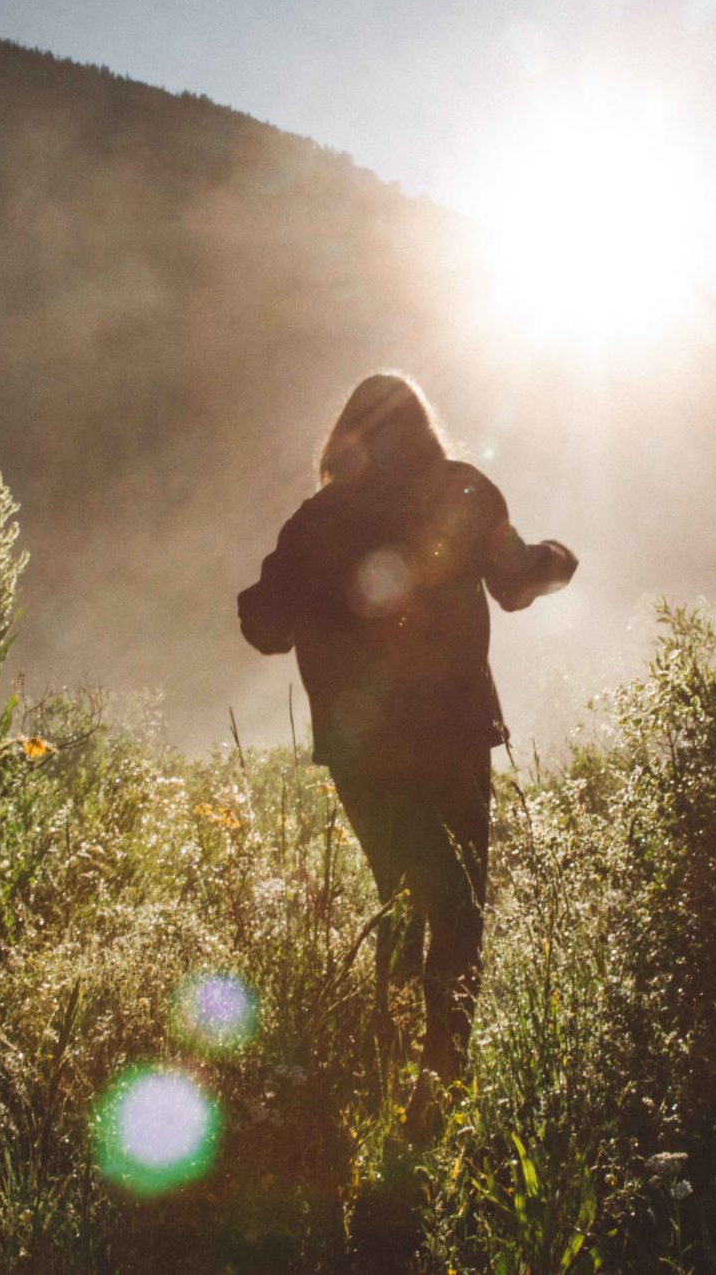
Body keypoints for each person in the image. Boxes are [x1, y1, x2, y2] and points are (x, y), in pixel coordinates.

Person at [238, 373, 576, 1130]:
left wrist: (298, 596)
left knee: (398, 892)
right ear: (423, 429)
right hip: (455, 731)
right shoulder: (462, 490)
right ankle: (440, 1087)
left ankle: (390, 1075)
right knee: (458, 906)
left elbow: (265, 627)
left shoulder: (318, 517)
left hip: (363, 745)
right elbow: (518, 584)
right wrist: (560, 558)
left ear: (344, 437)